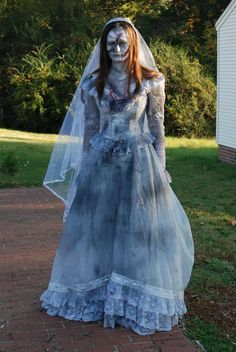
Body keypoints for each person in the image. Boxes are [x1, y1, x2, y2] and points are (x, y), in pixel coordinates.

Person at [40, 17, 194, 336]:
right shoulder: (92, 84)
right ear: (103, 46)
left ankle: (132, 297)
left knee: (138, 232)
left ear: (133, 43)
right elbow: (90, 132)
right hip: (102, 163)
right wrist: (83, 172)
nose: (117, 48)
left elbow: (157, 131)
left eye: (122, 42)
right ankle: (99, 295)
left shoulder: (152, 82)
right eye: (111, 43)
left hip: (140, 165)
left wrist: (161, 171)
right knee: (100, 229)